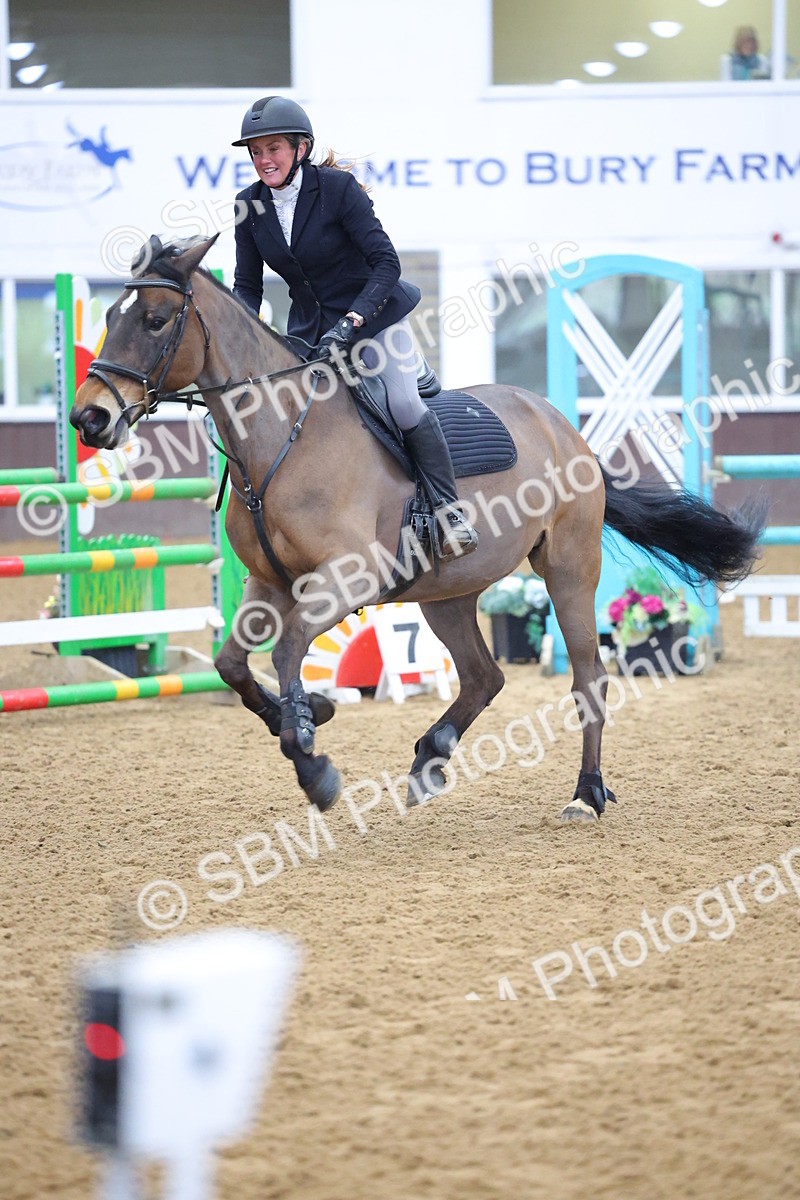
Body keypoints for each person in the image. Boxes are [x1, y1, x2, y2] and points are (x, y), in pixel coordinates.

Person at [230, 95, 478, 557]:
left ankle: (449, 511)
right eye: (256, 151)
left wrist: (353, 320)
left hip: (374, 314)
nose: (264, 160)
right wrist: (243, 334)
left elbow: (386, 263)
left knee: (403, 403)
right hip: (308, 328)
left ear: (301, 148)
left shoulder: (337, 190)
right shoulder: (249, 205)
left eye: (274, 148)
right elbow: (247, 284)